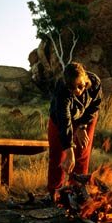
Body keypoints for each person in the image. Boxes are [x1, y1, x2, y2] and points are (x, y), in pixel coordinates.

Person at [47, 62, 102, 200]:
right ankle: (55, 193)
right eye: (72, 87)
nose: (77, 91)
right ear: (66, 84)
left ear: (86, 80)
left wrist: (82, 126)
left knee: (82, 153)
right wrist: (68, 149)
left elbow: (95, 106)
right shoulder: (62, 91)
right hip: (60, 119)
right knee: (57, 153)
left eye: (80, 86)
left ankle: (76, 191)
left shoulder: (95, 83)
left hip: (86, 118)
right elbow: (64, 120)